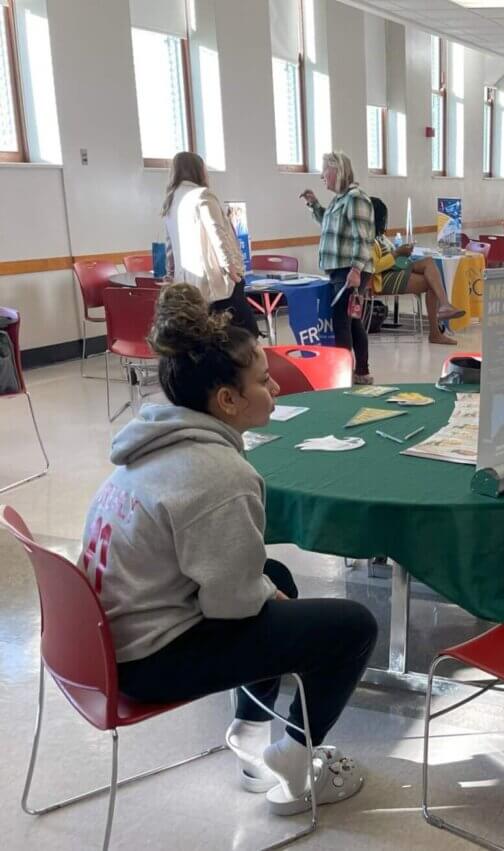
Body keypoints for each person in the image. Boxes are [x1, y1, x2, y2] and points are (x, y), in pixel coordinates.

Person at [80, 283, 378, 815]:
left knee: (276, 572)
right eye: (264, 382)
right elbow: (233, 605)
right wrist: (269, 601)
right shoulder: (220, 475)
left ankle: (249, 728)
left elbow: (236, 583)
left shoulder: (150, 444)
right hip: (146, 662)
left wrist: (269, 594)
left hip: (102, 643)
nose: (275, 390)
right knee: (353, 627)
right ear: (227, 401)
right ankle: (295, 754)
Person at [161, 152, 259, 337]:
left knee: (206, 335)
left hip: (187, 284)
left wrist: (171, 274)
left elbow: (170, 246)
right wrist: (232, 269)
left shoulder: (171, 201)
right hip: (215, 281)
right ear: (199, 170)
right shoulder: (202, 196)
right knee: (246, 334)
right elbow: (218, 234)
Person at [300, 151, 375, 385]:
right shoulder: (340, 199)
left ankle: (347, 373)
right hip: (340, 269)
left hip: (349, 269)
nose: (322, 176)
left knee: (342, 321)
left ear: (338, 171)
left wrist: (356, 269)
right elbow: (330, 225)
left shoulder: (356, 198)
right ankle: (360, 372)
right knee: (351, 321)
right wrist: (314, 205)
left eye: (325, 171)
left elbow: (363, 238)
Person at [369, 197, 465, 346]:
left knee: (429, 263)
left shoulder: (379, 237)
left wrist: (403, 253)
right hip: (381, 279)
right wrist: (397, 253)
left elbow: (392, 256)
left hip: (393, 269)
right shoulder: (367, 238)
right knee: (431, 281)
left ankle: (444, 309)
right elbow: (375, 267)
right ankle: (437, 327)